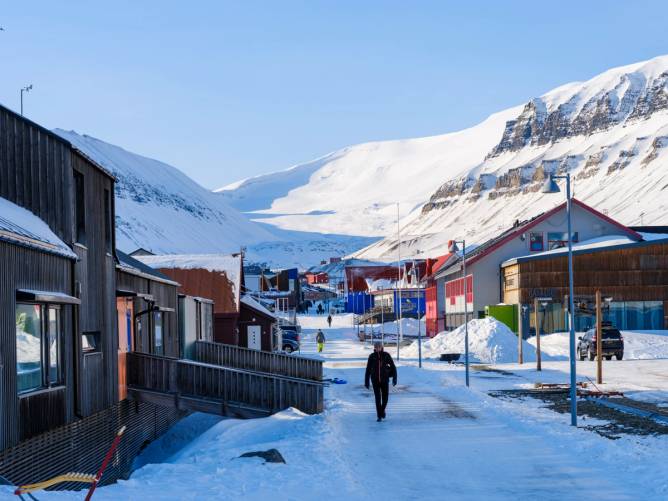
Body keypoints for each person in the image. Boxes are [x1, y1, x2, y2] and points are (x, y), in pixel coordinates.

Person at [364, 342, 397, 422]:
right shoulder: (372, 356)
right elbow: (368, 369)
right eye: (376, 347)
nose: (378, 348)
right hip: (375, 380)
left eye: (379, 347)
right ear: (374, 348)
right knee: (378, 398)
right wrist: (367, 381)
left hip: (385, 380)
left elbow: (393, 366)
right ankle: (379, 415)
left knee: (385, 397)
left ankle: (382, 410)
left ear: (382, 347)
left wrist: (394, 378)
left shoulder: (386, 355)